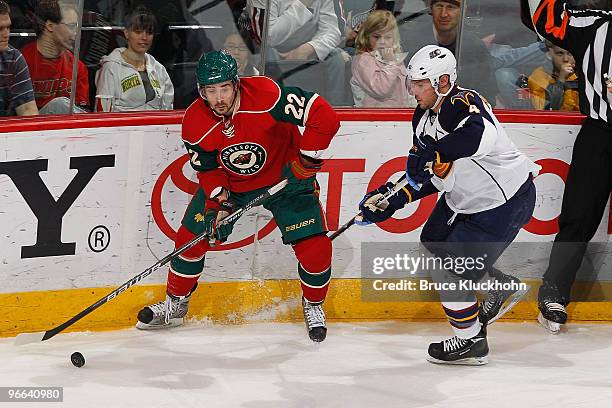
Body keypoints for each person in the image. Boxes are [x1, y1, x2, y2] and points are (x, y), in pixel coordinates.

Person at [135, 50, 340, 342]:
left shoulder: (267, 95)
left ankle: (313, 303)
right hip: (235, 186)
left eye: (224, 89)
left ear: (236, 84)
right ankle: (176, 304)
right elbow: (207, 170)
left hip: (286, 180)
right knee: (189, 240)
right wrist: (220, 202)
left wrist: (307, 161)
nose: (219, 98)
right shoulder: (195, 121)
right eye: (211, 91)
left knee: (316, 249)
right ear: (201, 91)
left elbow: (324, 116)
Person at [358, 45, 539, 365]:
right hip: (464, 200)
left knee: (451, 273)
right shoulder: (422, 115)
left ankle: (471, 341)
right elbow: (430, 174)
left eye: (419, 83)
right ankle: (498, 286)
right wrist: (393, 197)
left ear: (442, 81)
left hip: (503, 202)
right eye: (411, 83)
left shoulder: (463, 103)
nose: (412, 89)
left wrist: (437, 152)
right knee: (433, 241)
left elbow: (478, 137)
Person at [522, 0, 612, 333]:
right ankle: (554, 291)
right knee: (578, 217)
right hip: (600, 134)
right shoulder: (591, 26)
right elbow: (541, 17)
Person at [247, 0, 348, 105]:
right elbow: (266, 37)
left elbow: (334, 30)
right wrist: (303, 4)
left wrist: (309, 48)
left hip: (311, 45)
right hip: (273, 48)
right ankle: (271, 108)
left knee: (336, 57)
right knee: (267, 53)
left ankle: (334, 111)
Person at [399, 0, 499, 105]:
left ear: (463, 10)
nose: (444, 14)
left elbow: (487, 96)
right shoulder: (411, 40)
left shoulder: (475, 46)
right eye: (439, 6)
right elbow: (402, 88)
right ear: (431, 8)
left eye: (451, 7)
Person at [95, 6, 173, 112]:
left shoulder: (159, 69)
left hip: (156, 126)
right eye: (138, 31)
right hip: (121, 127)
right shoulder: (111, 67)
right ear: (126, 33)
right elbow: (103, 109)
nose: (144, 37)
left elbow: (168, 108)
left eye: (149, 32)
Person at [21, 0, 89, 114]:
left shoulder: (78, 67)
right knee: (59, 104)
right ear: (50, 26)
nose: (76, 33)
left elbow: (82, 109)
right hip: (30, 125)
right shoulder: (21, 61)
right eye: (72, 26)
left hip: (67, 128)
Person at [350, 9, 416, 107]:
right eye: (376, 37)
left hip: (400, 116)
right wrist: (390, 64)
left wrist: (415, 107)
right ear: (366, 37)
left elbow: (406, 90)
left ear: (394, 39)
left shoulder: (394, 59)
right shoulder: (363, 60)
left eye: (388, 37)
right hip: (373, 118)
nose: (382, 42)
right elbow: (380, 90)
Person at [0, 1, 38, 116]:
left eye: (8, 27)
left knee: (60, 105)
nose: (6, 34)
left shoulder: (14, 59)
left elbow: (27, 109)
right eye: (0, 29)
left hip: (6, 131)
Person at [528, 41, 579, 111]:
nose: (565, 59)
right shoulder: (539, 76)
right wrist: (561, 80)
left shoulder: (583, 74)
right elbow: (544, 110)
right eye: (560, 54)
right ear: (549, 55)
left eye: (570, 54)